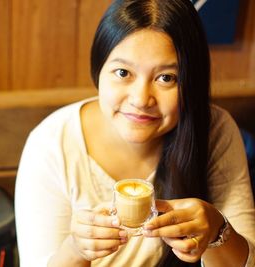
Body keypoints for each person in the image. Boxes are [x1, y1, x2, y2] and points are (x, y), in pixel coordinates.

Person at [14, 0, 255, 266]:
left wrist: (216, 231)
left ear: (191, 81)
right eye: (122, 72)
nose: (141, 99)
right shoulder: (52, 144)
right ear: (98, 71)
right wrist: (76, 250)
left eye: (167, 78)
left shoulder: (215, 132)